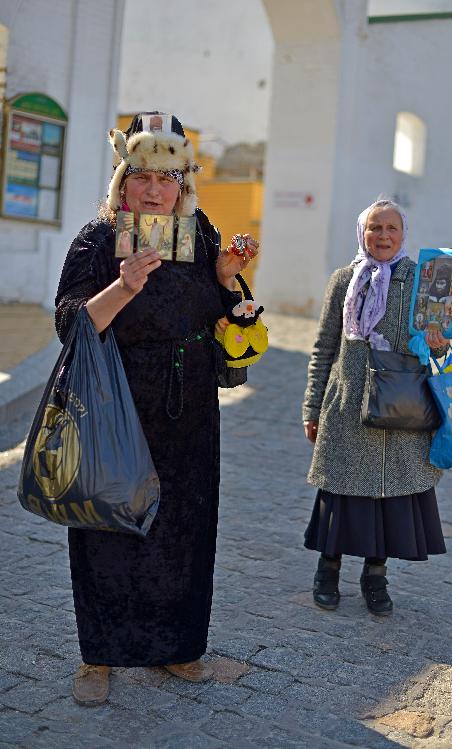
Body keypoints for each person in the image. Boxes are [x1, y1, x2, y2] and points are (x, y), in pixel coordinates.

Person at [54, 112, 259, 705]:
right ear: (122, 181)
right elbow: (69, 322)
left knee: (185, 528)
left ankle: (177, 645)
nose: (152, 189)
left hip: (189, 408)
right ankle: (99, 655)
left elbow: (223, 311)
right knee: (106, 524)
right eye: (140, 175)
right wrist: (122, 288)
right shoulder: (97, 240)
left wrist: (226, 280)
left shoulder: (201, 235)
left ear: (183, 185)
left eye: (166, 178)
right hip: (114, 400)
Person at [302, 199, 447, 617]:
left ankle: (375, 576)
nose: (383, 237)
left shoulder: (421, 281)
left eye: (392, 229)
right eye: (375, 228)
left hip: (402, 406)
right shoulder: (344, 279)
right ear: (362, 233)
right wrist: (312, 406)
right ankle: (327, 571)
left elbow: (439, 345)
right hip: (347, 405)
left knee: (387, 495)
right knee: (342, 492)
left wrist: (440, 343)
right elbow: (324, 347)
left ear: (404, 235)